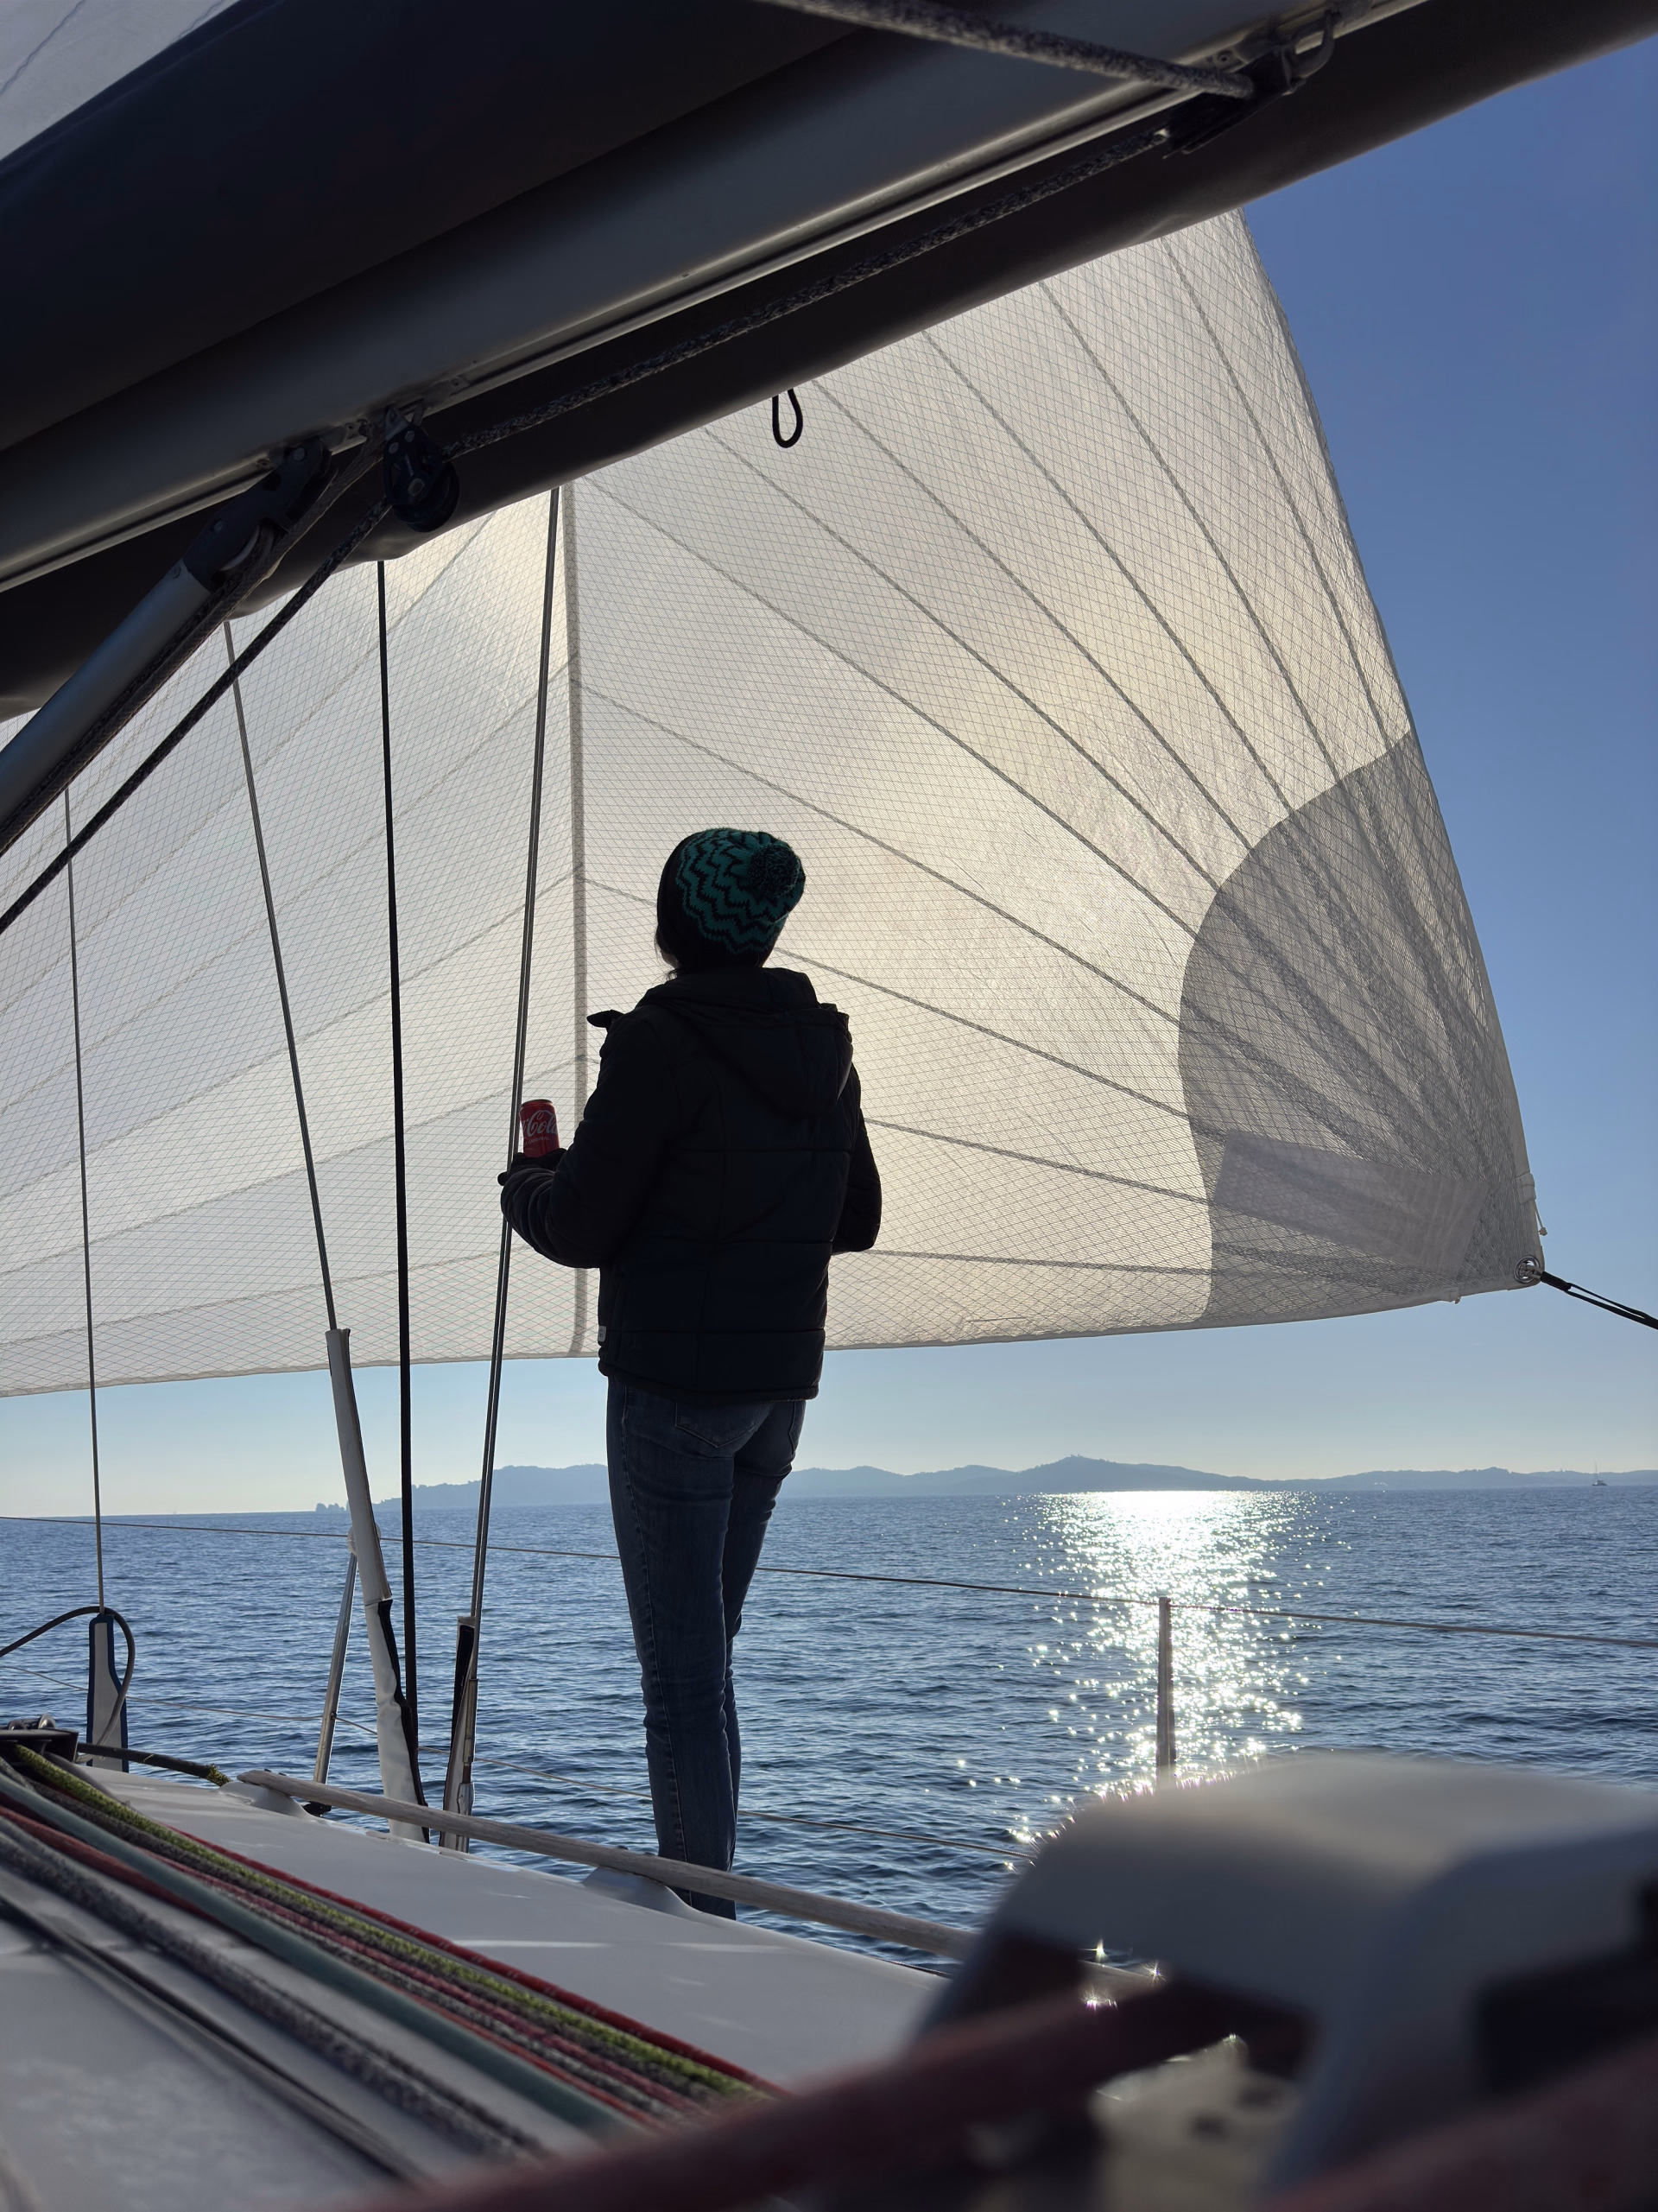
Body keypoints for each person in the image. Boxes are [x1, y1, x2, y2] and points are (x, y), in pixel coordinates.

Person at [498, 828, 881, 1911]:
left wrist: (526, 1181)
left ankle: (705, 1921)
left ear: (676, 922)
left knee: (681, 1681)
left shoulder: (659, 1044)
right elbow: (856, 1217)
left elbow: (580, 1226)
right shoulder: (825, 1047)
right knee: (707, 1666)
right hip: (777, 1397)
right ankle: (712, 1899)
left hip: (673, 1395)